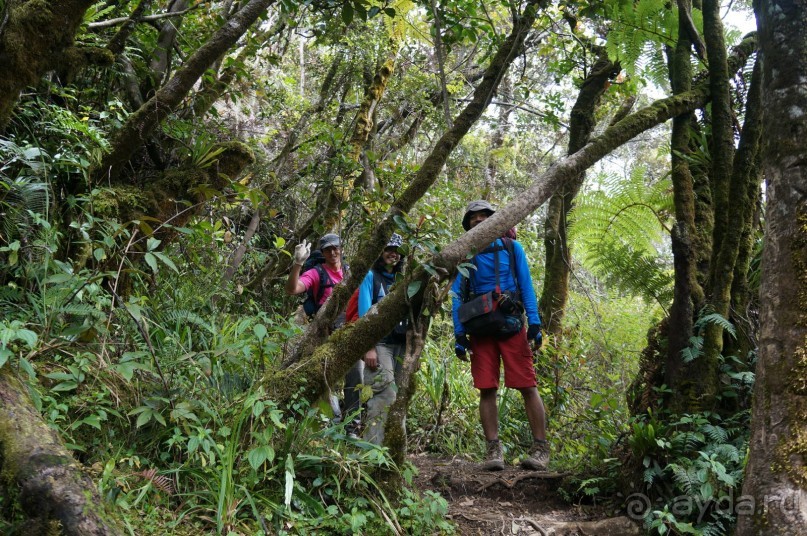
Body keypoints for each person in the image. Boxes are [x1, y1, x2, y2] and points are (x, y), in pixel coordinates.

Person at [451, 200, 549, 471]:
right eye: (473, 219)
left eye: (485, 216)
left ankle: (540, 448)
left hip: (511, 324)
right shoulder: (465, 256)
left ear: (497, 221)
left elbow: (526, 285)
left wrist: (536, 323)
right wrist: (459, 335)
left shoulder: (512, 248)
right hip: (480, 329)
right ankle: (493, 450)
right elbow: (456, 296)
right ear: (468, 225)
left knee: (527, 384)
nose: (479, 221)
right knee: (486, 388)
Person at [285, 233, 362, 432]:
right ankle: (333, 423)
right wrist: (297, 263)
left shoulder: (350, 272)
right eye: (328, 249)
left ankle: (352, 425)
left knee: (356, 375)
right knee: (326, 377)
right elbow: (293, 289)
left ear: (341, 248)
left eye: (335, 248)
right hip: (325, 332)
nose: (333, 252)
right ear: (323, 252)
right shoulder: (317, 273)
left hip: (351, 330)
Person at [358, 233, 407, 445]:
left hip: (402, 344)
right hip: (380, 344)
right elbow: (364, 314)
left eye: (397, 250)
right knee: (384, 395)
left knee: (399, 397)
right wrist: (368, 347)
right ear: (380, 252)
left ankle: (393, 453)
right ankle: (372, 452)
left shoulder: (403, 280)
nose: (392, 254)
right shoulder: (371, 276)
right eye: (388, 249)